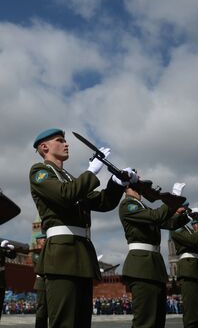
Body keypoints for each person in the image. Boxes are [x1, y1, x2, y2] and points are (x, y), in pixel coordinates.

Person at [29, 128, 127, 328]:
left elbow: (102, 202)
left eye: (66, 140)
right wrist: (91, 171)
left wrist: (117, 183)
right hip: (61, 256)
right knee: (64, 322)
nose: (66, 144)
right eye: (60, 140)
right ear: (44, 147)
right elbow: (65, 195)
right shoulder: (40, 171)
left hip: (81, 254)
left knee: (82, 322)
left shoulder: (71, 178)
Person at [119, 180, 189, 328]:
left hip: (154, 267)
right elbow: (156, 216)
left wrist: (185, 215)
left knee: (157, 321)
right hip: (141, 268)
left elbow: (169, 223)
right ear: (127, 187)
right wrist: (173, 199)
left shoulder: (143, 207)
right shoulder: (127, 205)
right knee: (145, 322)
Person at [169, 205, 198, 328]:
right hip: (189, 271)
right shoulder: (176, 228)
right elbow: (194, 240)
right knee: (192, 316)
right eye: (185, 211)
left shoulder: (189, 229)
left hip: (197, 269)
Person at [31, 232, 47, 328]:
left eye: (45, 238)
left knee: (49, 308)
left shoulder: (49, 251)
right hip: (41, 282)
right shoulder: (36, 254)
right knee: (41, 307)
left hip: (50, 282)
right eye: (43, 239)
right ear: (38, 241)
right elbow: (42, 263)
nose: (45, 240)